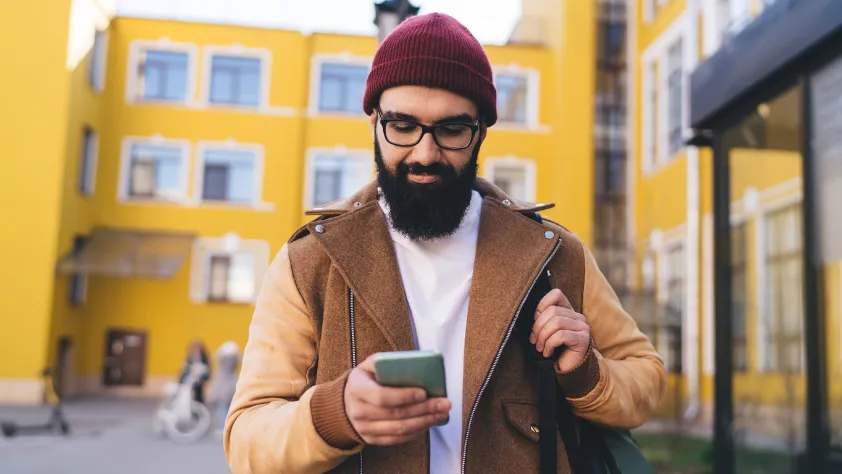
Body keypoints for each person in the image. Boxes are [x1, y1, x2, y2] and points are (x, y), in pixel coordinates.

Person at [225, 12, 665, 474]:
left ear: (481, 132)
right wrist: (335, 414)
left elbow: (645, 379)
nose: (425, 153)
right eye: (402, 125)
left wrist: (584, 372)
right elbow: (246, 439)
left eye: (452, 129)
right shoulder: (311, 261)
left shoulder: (553, 253)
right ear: (374, 122)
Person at [208, 341, 241, 433]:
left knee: (223, 407)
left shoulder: (221, 359)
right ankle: (223, 426)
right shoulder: (233, 360)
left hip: (224, 385)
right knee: (225, 407)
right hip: (228, 385)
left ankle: (222, 426)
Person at [179, 339, 210, 404]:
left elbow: (207, 372)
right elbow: (184, 370)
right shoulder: (189, 358)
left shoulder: (204, 359)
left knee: (198, 396)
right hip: (188, 381)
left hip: (198, 383)